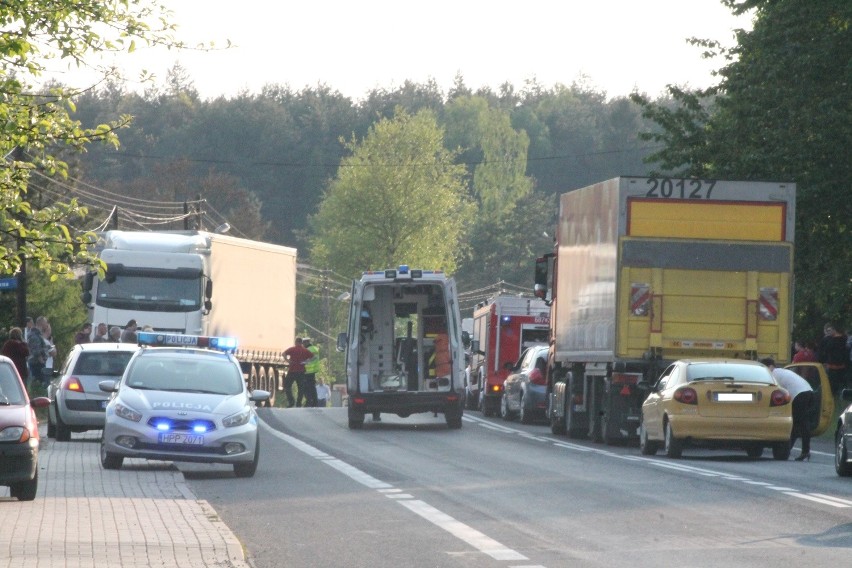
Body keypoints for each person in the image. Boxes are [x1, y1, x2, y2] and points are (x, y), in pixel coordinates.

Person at [761, 358, 815, 461]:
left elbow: (772, 392)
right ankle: (798, 449)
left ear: (770, 366)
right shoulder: (782, 371)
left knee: (798, 423)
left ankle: (800, 450)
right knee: (800, 423)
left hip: (799, 394)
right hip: (809, 391)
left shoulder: (773, 374)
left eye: (765, 368)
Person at [818, 323, 849, 395]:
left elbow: (825, 350)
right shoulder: (843, 339)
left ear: (834, 330)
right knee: (836, 384)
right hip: (837, 366)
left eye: (830, 330)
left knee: (835, 384)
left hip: (836, 366)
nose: (828, 332)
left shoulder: (834, 340)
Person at [283, 337, 313, 408]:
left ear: (296, 342)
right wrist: (306, 362)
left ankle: (291, 402)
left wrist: (288, 361)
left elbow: (283, 354)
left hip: (292, 371)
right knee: (301, 388)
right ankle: (299, 403)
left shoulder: (292, 349)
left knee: (287, 386)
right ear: (301, 343)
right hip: (301, 372)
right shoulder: (305, 350)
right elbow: (313, 357)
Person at [26, 316, 52, 388]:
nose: (47, 325)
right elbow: (36, 351)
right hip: (37, 365)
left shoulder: (37, 334)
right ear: (42, 323)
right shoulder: (34, 335)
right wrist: (42, 361)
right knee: (40, 386)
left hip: (37, 364)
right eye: (46, 323)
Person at [302, 338, 320, 407]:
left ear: (306, 342)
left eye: (303, 343)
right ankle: (314, 403)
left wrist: (303, 362)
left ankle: (309, 402)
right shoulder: (315, 348)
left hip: (307, 371)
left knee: (306, 388)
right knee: (312, 388)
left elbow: (308, 359)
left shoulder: (308, 349)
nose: (303, 345)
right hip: (313, 371)